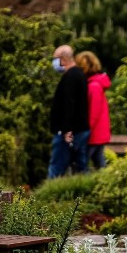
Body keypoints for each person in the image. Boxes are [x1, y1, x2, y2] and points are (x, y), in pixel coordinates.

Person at [48, 45, 90, 178]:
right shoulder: (79, 74)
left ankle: (49, 197)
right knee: (81, 167)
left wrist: (67, 130)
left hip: (68, 133)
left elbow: (69, 104)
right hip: (81, 129)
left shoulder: (70, 77)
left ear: (63, 59)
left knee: (56, 168)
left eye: (55, 59)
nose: (54, 63)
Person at [76, 51, 111, 170]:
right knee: (99, 163)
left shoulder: (93, 86)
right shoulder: (95, 84)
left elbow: (93, 113)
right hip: (98, 132)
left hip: (94, 134)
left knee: (82, 164)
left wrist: (85, 131)